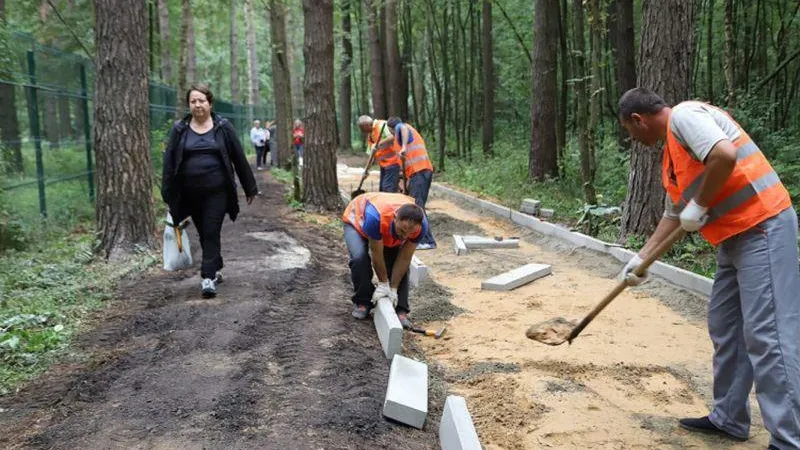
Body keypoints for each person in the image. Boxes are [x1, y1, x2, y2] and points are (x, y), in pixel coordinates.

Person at [617, 87, 800, 450]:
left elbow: (724, 154)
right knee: (725, 326)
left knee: (769, 335)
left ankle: (789, 438)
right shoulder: (672, 155)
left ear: (638, 120)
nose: (633, 139)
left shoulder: (685, 116)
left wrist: (698, 204)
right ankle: (729, 417)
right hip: (733, 239)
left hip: (762, 227)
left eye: (629, 131)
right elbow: (675, 215)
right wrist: (641, 260)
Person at [162, 83, 258, 298]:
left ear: (210, 103)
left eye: (201, 101)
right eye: (193, 101)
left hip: (218, 191)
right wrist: (167, 192)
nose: (197, 105)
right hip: (190, 193)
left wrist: (250, 187)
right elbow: (169, 162)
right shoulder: (180, 130)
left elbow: (238, 158)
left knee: (211, 230)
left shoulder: (223, 127)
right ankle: (217, 264)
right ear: (189, 105)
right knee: (204, 232)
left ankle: (207, 277)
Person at [342, 192, 429, 329]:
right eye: (402, 230)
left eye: (410, 233)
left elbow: (405, 257)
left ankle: (401, 310)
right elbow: (376, 254)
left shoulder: (421, 226)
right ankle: (363, 302)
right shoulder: (375, 218)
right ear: (395, 218)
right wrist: (383, 284)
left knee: (398, 263)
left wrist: (393, 288)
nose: (405, 236)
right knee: (360, 259)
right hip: (357, 224)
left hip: (385, 228)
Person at [386, 116, 437, 249]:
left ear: (392, 129)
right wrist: (405, 183)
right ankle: (421, 238)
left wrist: (403, 147)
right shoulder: (399, 138)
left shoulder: (401, 128)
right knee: (415, 203)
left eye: (391, 132)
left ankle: (427, 241)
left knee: (418, 206)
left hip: (421, 171)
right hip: (416, 173)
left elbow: (401, 127)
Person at [358, 115, 401, 193]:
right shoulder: (370, 135)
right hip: (384, 165)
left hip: (393, 162)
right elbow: (371, 155)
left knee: (387, 188)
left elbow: (393, 136)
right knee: (382, 189)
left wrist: (379, 143)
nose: (362, 131)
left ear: (367, 125)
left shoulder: (381, 125)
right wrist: (366, 171)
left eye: (362, 128)